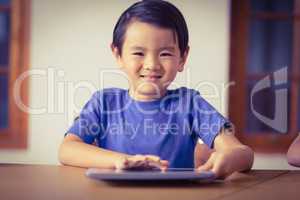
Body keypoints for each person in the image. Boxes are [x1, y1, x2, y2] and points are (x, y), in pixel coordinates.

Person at [58, 0, 254, 178]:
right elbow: (67, 149)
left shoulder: (190, 104)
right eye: (138, 53)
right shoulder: (103, 103)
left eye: (165, 53)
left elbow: (243, 154)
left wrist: (229, 158)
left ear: (183, 58)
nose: (151, 64)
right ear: (117, 55)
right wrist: (122, 161)